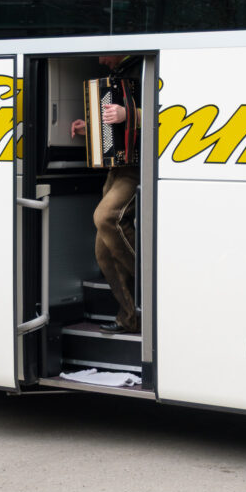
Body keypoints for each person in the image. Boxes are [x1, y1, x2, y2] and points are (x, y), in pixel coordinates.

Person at [71, 55, 142, 334]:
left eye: (103, 54)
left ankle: (155, 284)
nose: (100, 61)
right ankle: (129, 317)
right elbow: (116, 128)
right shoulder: (122, 72)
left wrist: (131, 114)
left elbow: (170, 112)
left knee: (106, 217)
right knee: (103, 251)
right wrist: (90, 128)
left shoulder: (144, 66)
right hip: (117, 169)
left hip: (137, 167)